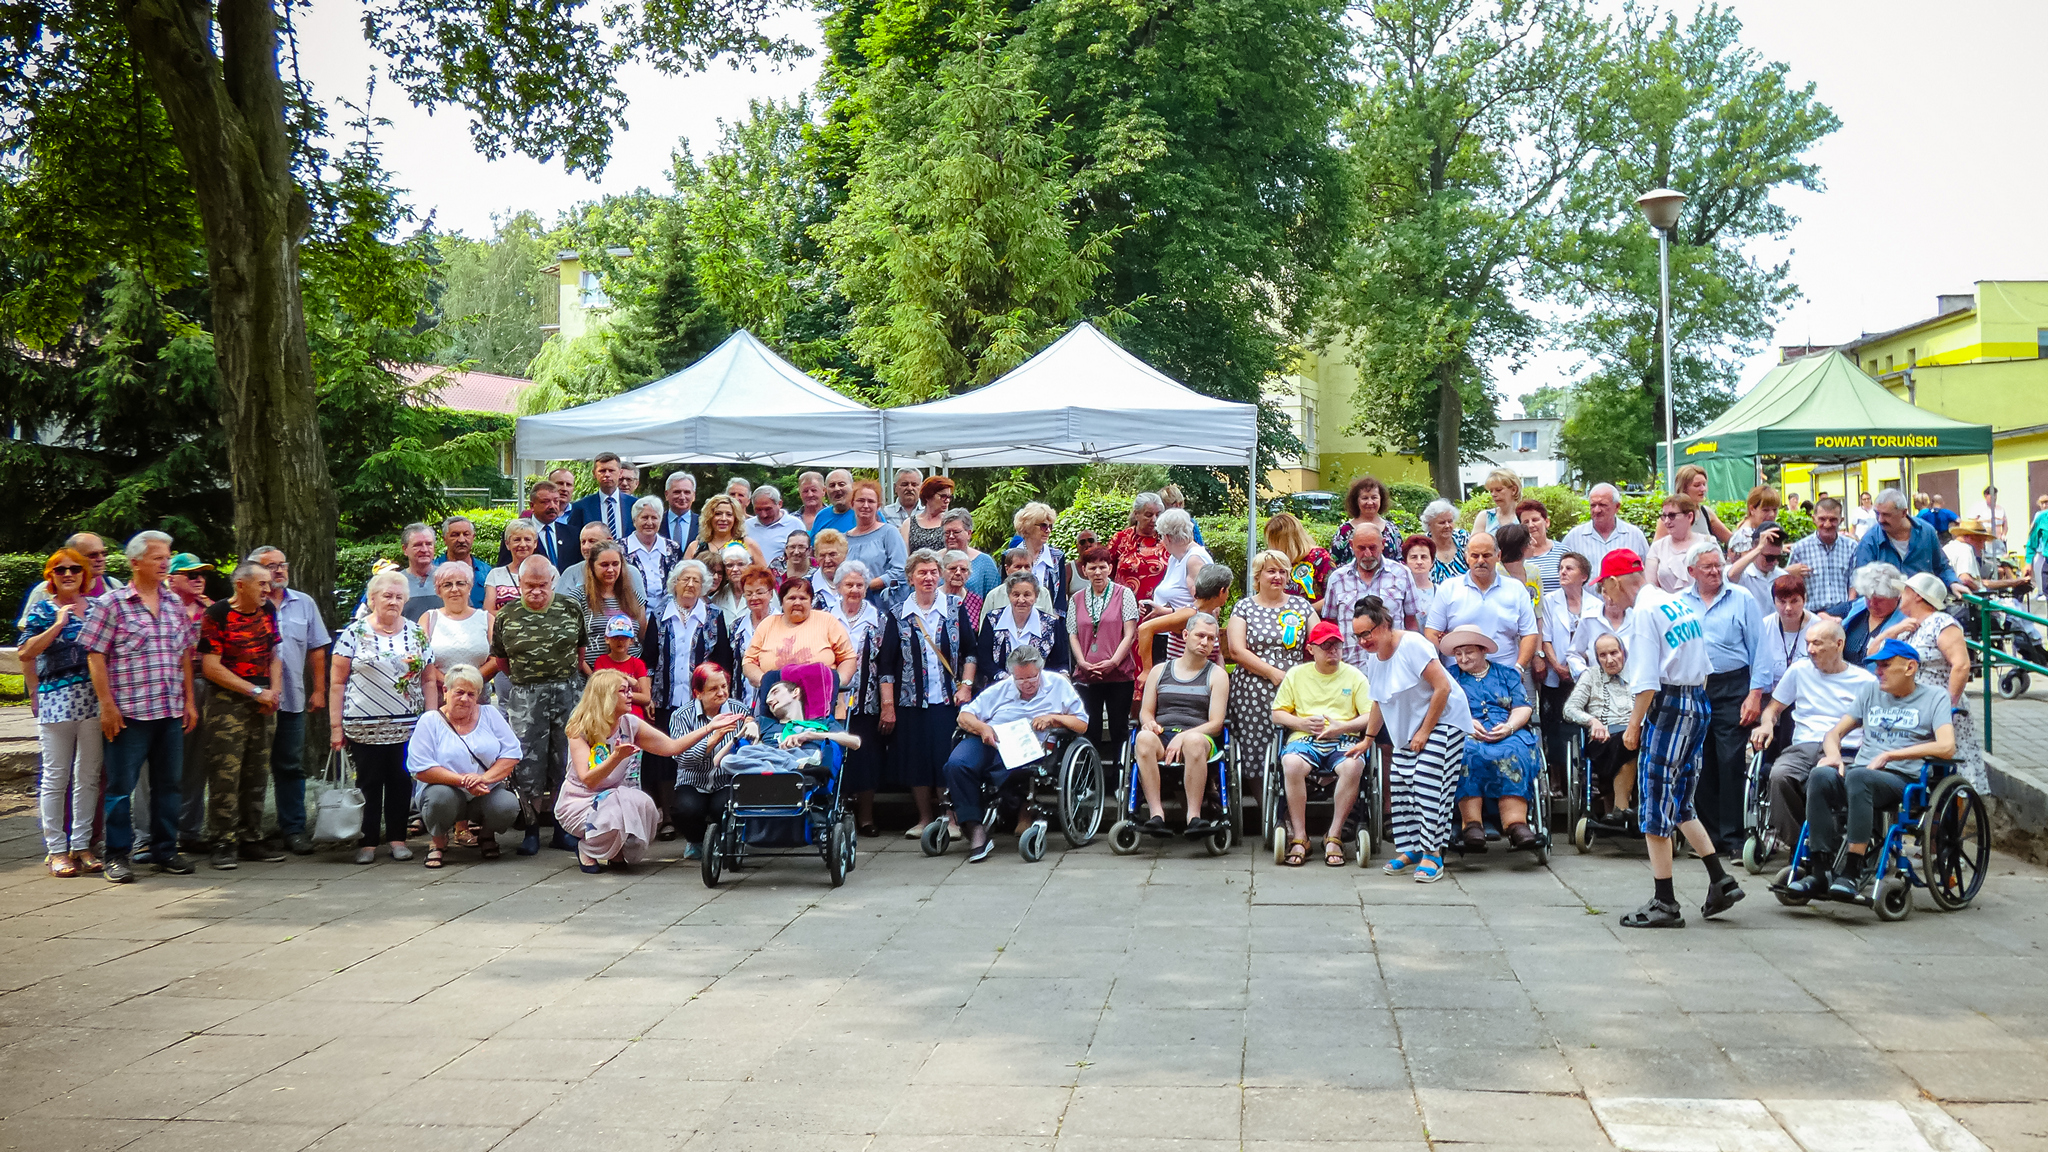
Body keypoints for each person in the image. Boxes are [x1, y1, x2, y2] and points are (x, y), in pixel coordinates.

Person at [1597, 547, 1744, 929]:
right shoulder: (1674, 603)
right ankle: (1720, 880)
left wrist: (1633, 727)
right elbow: (1705, 667)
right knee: (1680, 801)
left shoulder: (1644, 612)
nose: (1605, 597)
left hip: (1670, 705)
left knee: (1655, 803)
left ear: (1615, 582)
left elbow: (1645, 681)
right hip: (1697, 701)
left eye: (1604, 588)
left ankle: (1665, 901)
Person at [1783, 638, 1955, 900]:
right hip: (1860, 774)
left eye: (1886, 665)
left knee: (1859, 777)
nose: (1878, 672)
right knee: (1820, 775)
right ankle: (1818, 870)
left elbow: (1946, 747)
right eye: (1877, 666)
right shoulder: (1870, 692)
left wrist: (1891, 754)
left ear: (1910, 667)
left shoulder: (1935, 697)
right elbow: (1834, 733)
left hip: (1902, 779)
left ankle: (1852, 870)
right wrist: (1833, 755)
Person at [81, 531, 197, 883]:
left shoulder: (174, 602)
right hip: (129, 712)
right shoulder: (112, 604)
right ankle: (117, 854)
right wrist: (106, 705)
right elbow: (95, 655)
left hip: (169, 709)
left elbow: (185, 654)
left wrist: (189, 701)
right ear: (135, 563)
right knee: (120, 787)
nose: (166, 563)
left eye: (168, 556)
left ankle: (165, 850)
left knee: (169, 785)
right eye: (158, 557)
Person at [1356, 595, 1469, 883]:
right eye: (1357, 636)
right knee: (1403, 785)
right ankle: (1411, 849)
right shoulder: (1374, 658)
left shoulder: (1413, 644)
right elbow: (1379, 701)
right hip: (1407, 728)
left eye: (1366, 633)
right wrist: (1368, 738)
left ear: (1383, 625)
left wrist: (1425, 731)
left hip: (1442, 720)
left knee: (1428, 784)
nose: (1362, 641)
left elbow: (1442, 688)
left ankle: (1433, 853)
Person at [943, 644, 1088, 862]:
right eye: (1020, 679)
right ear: (1012, 675)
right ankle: (974, 827)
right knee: (956, 764)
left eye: (1032, 677)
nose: (1027, 684)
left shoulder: (1057, 685)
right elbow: (964, 716)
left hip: (1029, 746)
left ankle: (982, 827)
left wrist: (1053, 718)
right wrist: (983, 728)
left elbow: (1082, 723)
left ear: (1040, 670)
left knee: (1006, 768)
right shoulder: (1001, 688)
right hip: (993, 739)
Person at [330, 569, 434, 866]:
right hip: (363, 726)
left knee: (402, 782)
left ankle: (398, 840)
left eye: (399, 596)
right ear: (372, 598)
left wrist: (429, 720)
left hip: (407, 726)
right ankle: (368, 842)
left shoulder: (415, 632)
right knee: (368, 783)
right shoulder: (354, 633)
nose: (393, 601)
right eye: (387, 596)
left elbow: (428, 680)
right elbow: (337, 682)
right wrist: (335, 727)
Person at [1677, 541, 1769, 857]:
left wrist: (1755, 694)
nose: (1716, 571)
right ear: (1692, 572)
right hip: (1694, 687)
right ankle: (1708, 836)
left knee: (1730, 759)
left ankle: (1733, 836)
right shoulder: (1679, 603)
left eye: (1718, 565)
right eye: (1708, 567)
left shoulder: (1742, 598)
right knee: (1698, 760)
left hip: (1733, 686)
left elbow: (1760, 649)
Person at [490, 556, 585, 855]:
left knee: (565, 760)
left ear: (552, 583)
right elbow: (501, 660)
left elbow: (580, 652)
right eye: (529, 586)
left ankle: (562, 828)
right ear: (519, 584)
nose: (536, 592)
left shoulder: (570, 608)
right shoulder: (507, 616)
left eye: (542, 586)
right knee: (527, 765)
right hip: (526, 696)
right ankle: (530, 829)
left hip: (567, 692)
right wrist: (528, 680)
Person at [1752, 618, 1872, 852]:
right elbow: (1773, 708)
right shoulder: (1799, 671)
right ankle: (1801, 845)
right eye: (1807, 643)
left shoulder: (1864, 682)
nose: (1810, 650)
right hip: (1804, 745)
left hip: (1846, 748)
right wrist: (1766, 724)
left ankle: (1826, 845)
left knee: (1824, 777)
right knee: (1779, 776)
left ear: (1839, 644)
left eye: (1817, 644)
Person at [881, 551, 978, 838]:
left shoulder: (954, 608)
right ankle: (924, 818)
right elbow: (886, 665)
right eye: (922, 572)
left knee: (946, 759)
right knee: (917, 761)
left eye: (933, 572)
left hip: (949, 700)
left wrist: (966, 685)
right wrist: (888, 705)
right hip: (911, 701)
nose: (928, 577)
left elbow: (971, 652)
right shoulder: (897, 615)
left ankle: (952, 818)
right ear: (910, 578)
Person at [196, 561, 285, 870]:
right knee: (226, 772)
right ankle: (222, 840)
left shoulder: (268, 611)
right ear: (241, 585)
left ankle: (251, 837)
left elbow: (274, 655)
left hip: (263, 700)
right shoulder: (218, 614)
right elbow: (210, 666)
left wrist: (273, 692)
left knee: (257, 771)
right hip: (227, 701)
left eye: (268, 583)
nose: (267, 589)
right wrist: (253, 691)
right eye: (261, 584)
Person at [20, 550, 103, 876]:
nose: (68, 574)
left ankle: (81, 844)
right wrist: (57, 625)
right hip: (57, 702)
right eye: (60, 569)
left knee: (89, 776)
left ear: (84, 575)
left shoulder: (98, 609)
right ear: (51, 575)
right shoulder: (41, 609)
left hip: (94, 701)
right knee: (56, 777)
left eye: (74, 569)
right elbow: (26, 652)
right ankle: (56, 850)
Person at [244, 547, 328, 856]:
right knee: (249, 767)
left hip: (291, 699)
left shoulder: (303, 603)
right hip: (251, 701)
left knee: (290, 766)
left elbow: (317, 648)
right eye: (271, 567)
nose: (279, 571)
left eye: (283, 565)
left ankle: (293, 829)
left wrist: (319, 690)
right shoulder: (249, 604)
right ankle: (248, 832)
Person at [1271, 620, 1372, 867]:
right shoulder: (1297, 675)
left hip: (1343, 739)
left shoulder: (1354, 676)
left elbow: (1371, 715)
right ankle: (1300, 835)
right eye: (1325, 646)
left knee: (1353, 766)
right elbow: (1277, 713)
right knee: (1291, 763)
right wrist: (1302, 723)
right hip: (1305, 738)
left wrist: (1343, 726)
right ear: (1311, 649)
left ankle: (1334, 835)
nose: (1332, 651)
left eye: (1336, 646)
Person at [1873, 572, 1985, 791]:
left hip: (1937, 706)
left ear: (1917, 595)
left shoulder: (1942, 623)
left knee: (1950, 769)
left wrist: (1947, 705)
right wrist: (1891, 631)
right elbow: (1873, 654)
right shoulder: (1906, 627)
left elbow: (1961, 665)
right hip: (1909, 708)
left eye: (1905, 591)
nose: (1900, 595)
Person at [407, 663, 520, 866]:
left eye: (472, 694)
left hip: (485, 789)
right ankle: (437, 841)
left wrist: (483, 778)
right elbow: (420, 767)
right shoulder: (429, 721)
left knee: (507, 805)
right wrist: (463, 781)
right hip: (444, 790)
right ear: (445, 691)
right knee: (439, 798)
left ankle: (487, 835)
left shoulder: (490, 715)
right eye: (459, 692)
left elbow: (512, 754)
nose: (465, 699)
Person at [559, 669, 670, 872]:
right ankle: (587, 848)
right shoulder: (579, 729)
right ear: (607, 696)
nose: (631, 696)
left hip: (613, 799)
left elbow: (672, 747)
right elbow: (588, 780)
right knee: (616, 810)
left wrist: (710, 729)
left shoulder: (630, 723)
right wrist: (616, 757)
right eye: (624, 691)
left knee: (641, 804)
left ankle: (614, 850)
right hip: (578, 802)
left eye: (630, 690)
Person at [1441, 625, 1541, 852]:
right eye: (1458, 653)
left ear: (1483, 650)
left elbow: (1523, 707)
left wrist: (1509, 727)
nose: (1463, 658)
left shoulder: (1507, 674)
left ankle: (1516, 824)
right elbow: (1442, 708)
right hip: (1467, 731)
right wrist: (1465, 721)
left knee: (1514, 751)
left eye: (1469, 652)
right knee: (1466, 752)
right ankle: (1472, 824)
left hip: (1507, 729)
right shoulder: (1449, 677)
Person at [1131, 613, 1229, 839]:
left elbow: (1215, 724)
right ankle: (1156, 815)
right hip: (1162, 733)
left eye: (1211, 639)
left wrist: (1183, 737)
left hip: (1200, 737)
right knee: (1143, 739)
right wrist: (1149, 723)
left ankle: (1193, 817)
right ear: (1186, 635)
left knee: (1193, 742)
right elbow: (1146, 711)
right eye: (1200, 635)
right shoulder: (1159, 671)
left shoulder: (1217, 675)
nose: (1205, 642)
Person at [1226, 550, 1314, 769]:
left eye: (1283, 572)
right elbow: (1236, 650)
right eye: (1271, 571)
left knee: (1299, 744)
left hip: (1295, 686)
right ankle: (1263, 802)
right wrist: (1272, 673)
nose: (1278, 577)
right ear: (1258, 576)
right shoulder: (1244, 607)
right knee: (1255, 748)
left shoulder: (1301, 606)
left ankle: (1289, 796)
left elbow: (1319, 641)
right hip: (1253, 688)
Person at [666, 663, 752, 854]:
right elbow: (683, 760)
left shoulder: (740, 712)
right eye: (713, 689)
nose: (721, 693)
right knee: (685, 810)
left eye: (724, 686)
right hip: (693, 781)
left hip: (725, 780)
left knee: (725, 807)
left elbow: (750, 751)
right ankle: (697, 842)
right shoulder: (681, 716)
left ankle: (726, 842)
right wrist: (713, 738)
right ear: (698, 693)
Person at [828, 559, 887, 836]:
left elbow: (887, 663)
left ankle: (866, 817)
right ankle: (835, 811)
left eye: (859, 585)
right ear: (838, 587)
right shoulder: (825, 617)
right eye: (848, 584)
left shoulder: (879, 619)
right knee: (833, 755)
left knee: (866, 756)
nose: (854, 589)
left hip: (867, 699)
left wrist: (887, 704)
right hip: (829, 702)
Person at [1425, 533, 1539, 671]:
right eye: (1474, 555)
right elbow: (1432, 632)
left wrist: (1518, 668)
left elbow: (1529, 633)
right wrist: (1443, 671)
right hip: (1459, 676)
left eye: (1486, 555)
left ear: (1498, 556)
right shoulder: (1448, 588)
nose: (1480, 561)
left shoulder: (1516, 589)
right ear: (1466, 557)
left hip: (1505, 673)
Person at [1069, 545, 1142, 755]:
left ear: (1110, 568)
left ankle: (1118, 782)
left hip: (1118, 674)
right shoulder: (1076, 599)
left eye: (1102, 567)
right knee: (1089, 728)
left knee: (1119, 727)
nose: (1097, 572)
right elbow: (1072, 634)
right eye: (1092, 568)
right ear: (1084, 571)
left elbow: (1130, 633)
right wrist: (1081, 662)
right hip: (1087, 673)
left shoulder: (1124, 594)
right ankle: (1091, 780)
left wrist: (1113, 662)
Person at [1563, 633, 1638, 822]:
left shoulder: (1638, 674)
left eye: (1614, 653)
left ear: (1623, 652)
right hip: (1603, 741)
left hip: (1637, 735)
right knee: (1630, 740)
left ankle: (1621, 809)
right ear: (1597, 658)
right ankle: (1621, 807)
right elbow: (1569, 708)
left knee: (1637, 739)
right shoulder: (1591, 675)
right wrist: (1592, 721)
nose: (1610, 660)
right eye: (1603, 655)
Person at [1537, 551, 1598, 783]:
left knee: (1585, 721)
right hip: (1556, 673)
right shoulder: (1550, 601)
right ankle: (1556, 777)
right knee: (1554, 724)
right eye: (1561, 568)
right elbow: (1546, 637)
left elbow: (1596, 641)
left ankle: (1588, 777)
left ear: (1583, 576)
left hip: (1587, 674)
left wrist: (1583, 671)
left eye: (1569, 568)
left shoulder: (1595, 604)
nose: (1563, 572)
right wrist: (1557, 666)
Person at [1324, 523, 1419, 666]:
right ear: (1351, 545)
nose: (1367, 554)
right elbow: (1330, 625)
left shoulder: (1402, 574)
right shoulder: (1337, 578)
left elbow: (1411, 622)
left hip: (1394, 664)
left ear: (1383, 544)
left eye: (1373, 548)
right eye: (1361, 548)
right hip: (1351, 667)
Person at [1851, 488, 1962, 593]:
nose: (1880, 520)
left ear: (1904, 513)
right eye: (1877, 514)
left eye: (1886, 515)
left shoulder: (1927, 532)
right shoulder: (1869, 541)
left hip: (1923, 606)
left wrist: (1954, 583)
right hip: (1887, 610)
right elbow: (1863, 585)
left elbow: (1942, 566)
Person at [17, 530, 123, 628]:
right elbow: (27, 632)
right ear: (73, 556)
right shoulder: (45, 590)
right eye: (93, 555)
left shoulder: (114, 586)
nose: (101, 559)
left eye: (104, 554)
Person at [978, 571, 1071, 683]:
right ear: (1009, 595)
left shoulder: (1051, 624)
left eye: (1027, 595)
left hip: (1041, 689)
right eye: (1016, 595)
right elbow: (984, 660)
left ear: (1036, 597)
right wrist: (1006, 679)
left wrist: (1063, 676)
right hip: (1001, 687)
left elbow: (1061, 662)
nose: (1021, 600)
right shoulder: (992, 619)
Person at [568, 543, 646, 673]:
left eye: (615, 564)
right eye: (604, 565)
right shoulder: (578, 597)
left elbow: (642, 635)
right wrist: (593, 676)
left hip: (630, 676)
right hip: (592, 676)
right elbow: (571, 644)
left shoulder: (634, 596)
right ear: (592, 566)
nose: (610, 570)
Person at [421, 560, 493, 700]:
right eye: (447, 585)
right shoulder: (428, 618)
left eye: (460, 583)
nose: (454, 589)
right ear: (438, 590)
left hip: (477, 700)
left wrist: (469, 684)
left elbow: (497, 659)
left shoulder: (486, 619)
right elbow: (421, 659)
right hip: (439, 702)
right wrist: (449, 685)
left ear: (470, 587)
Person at [1560, 483, 1649, 577]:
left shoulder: (1634, 536)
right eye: (1593, 505)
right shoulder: (1574, 537)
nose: (1597, 510)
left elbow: (1647, 572)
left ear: (1617, 507)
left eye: (1603, 505)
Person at [846, 478, 908, 610]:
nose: (866, 505)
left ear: (878, 506)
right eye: (861, 500)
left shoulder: (888, 532)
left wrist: (868, 585)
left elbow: (901, 571)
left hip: (883, 606)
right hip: (851, 607)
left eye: (871, 501)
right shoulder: (844, 539)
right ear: (852, 504)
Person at [1787, 497, 1855, 611]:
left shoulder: (1851, 547)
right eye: (1822, 519)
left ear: (1841, 520)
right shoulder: (1800, 549)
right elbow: (1791, 585)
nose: (1827, 524)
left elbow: (1854, 585)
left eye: (1833, 519)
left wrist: (1849, 612)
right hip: (1811, 615)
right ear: (1814, 519)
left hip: (1843, 613)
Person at [1835, 562, 1908, 666]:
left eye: (1880, 600)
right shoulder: (1858, 607)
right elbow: (1823, 614)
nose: (1872, 604)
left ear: (1897, 596)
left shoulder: (1904, 619)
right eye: (1868, 598)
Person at [556, 522, 650, 601]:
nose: (585, 547)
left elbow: (640, 612)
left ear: (609, 541)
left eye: (592, 541)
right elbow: (559, 608)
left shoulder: (631, 572)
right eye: (583, 542)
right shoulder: (571, 573)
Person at [725, 566, 779, 699]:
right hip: (742, 698)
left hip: (776, 697)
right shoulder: (736, 627)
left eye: (760, 592)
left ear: (770, 594)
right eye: (749, 594)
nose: (754, 598)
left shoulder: (782, 623)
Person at [626, 496, 683, 614]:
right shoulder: (620, 549)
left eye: (654, 518)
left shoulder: (673, 548)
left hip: (668, 614)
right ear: (634, 520)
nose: (649, 522)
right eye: (644, 517)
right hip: (632, 614)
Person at [1330, 475, 1402, 567]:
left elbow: (1400, 561)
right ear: (1356, 501)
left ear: (1381, 499)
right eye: (1365, 498)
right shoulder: (1344, 531)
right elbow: (1333, 563)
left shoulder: (1392, 529)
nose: (1370, 502)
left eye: (1374, 497)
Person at [1110, 493, 1169, 602]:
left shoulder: (1168, 541)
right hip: (1124, 607)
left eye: (1158, 514)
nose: (1154, 519)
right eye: (1148, 515)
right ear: (1136, 514)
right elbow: (1107, 574)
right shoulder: (1120, 539)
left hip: (1159, 609)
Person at [1263, 512, 1333, 604]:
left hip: (1315, 616)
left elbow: (1334, 596)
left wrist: (1305, 612)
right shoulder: (1277, 561)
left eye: (1274, 541)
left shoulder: (1319, 557)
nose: (1272, 546)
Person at [500, 479, 570, 568]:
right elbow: (505, 568)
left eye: (556, 501)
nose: (552, 506)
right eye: (545, 502)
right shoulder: (515, 534)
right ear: (532, 506)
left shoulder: (571, 534)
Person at [1152, 509, 1211, 616]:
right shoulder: (1175, 558)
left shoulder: (1194, 560)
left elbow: (1205, 606)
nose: (1161, 541)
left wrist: (1167, 611)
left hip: (1185, 630)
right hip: (1169, 630)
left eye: (1160, 536)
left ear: (1167, 537)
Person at [684, 493, 766, 568]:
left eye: (729, 514)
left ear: (735, 519)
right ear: (709, 518)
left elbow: (764, 577)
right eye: (718, 514)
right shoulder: (695, 547)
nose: (723, 519)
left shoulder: (749, 545)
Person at [1013, 502, 1068, 615]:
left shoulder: (1057, 557)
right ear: (1028, 527)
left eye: (1050, 526)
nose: (1048, 530)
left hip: (1049, 621)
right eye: (1043, 526)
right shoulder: (1011, 556)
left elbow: (1060, 600)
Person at [1726, 519, 1791, 614]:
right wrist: (1759, 548)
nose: (1774, 562)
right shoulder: (1744, 574)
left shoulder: (1783, 576)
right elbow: (1731, 575)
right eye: (1769, 558)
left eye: (1779, 557)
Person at [567, 451, 634, 541]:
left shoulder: (634, 505)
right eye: (602, 471)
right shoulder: (581, 507)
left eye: (611, 470)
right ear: (594, 473)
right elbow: (573, 540)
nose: (607, 474)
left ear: (620, 473)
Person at [594, 615, 651, 719]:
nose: (620, 641)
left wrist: (617, 693)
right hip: (609, 715)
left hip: (634, 716)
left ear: (631, 641)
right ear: (607, 639)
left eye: (624, 638)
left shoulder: (638, 663)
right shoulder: (601, 661)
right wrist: (628, 680)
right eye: (615, 637)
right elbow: (601, 692)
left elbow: (646, 698)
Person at [941, 509, 1001, 602]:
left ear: (969, 534)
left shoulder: (985, 563)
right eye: (947, 532)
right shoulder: (934, 560)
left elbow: (994, 599)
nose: (951, 536)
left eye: (956, 532)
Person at [1644, 494, 1701, 593]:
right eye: (1664, 516)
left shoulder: (1707, 543)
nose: (1666, 521)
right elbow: (1650, 587)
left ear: (1689, 516)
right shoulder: (1657, 547)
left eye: (1672, 516)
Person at [1668, 464, 1733, 544]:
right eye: (1697, 485)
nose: (1703, 489)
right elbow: (1656, 552)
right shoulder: (1669, 517)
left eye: (1704, 484)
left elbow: (1731, 540)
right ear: (1683, 488)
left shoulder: (1706, 513)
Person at [486, 519, 541, 612]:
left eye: (527, 539)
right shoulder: (495, 574)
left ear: (535, 543)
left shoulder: (549, 572)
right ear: (507, 544)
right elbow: (488, 612)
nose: (523, 544)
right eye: (517, 540)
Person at [437, 516, 491, 608]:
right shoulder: (434, 569)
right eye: (455, 535)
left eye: (466, 534)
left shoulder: (487, 572)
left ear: (473, 537)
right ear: (445, 539)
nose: (461, 540)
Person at [1517, 498, 1563, 598]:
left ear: (1547, 522)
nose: (1531, 525)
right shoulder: (1518, 556)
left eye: (1535, 520)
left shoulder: (1563, 552)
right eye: (1525, 522)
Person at [748, 484, 802, 567]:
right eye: (758, 510)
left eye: (768, 509)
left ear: (779, 504)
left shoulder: (795, 525)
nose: (763, 515)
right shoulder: (746, 526)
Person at [902, 476, 954, 556]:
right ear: (928, 496)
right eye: (943, 496)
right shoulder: (909, 523)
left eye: (949, 497)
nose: (947, 501)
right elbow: (904, 556)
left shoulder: (950, 522)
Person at [1421, 499, 1468, 584]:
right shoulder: (1422, 545)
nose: (1447, 526)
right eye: (1442, 523)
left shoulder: (1462, 538)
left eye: (1450, 521)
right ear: (1429, 525)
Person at [1725, 485, 1783, 554]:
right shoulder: (1744, 536)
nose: (1772, 514)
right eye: (1765, 510)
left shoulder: (1760, 530)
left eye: (1775, 510)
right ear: (1752, 509)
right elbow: (1746, 563)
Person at [1468, 468, 1522, 535]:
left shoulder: (1525, 517)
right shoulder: (1484, 517)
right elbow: (1473, 544)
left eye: (1498, 490)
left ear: (1514, 490)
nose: (1493, 494)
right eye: (1491, 491)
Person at [709, 544, 754, 619]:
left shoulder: (763, 591)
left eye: (740, 564)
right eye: (730, 565)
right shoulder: (717, 598)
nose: (735, 569)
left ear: (749, 566)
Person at [810, 469, 858, 538]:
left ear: (853, 487)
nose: (837, 489)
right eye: (832, 485)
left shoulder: (866, 512)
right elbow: (814, 547)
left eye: (841, 484)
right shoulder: (821, 516)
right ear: (826, 490)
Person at [660, 471, 699, 550]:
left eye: (687, 492)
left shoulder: (704, 524)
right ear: (666, 495)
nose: (682, 497)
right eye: (677, 492)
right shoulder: (657, 522)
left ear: (694, 496)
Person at [1402, 535, 1437, 621]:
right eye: (1414, 557)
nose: (1419, 562)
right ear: (1405, 562)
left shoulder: (1441, 592)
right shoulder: (1400, 592)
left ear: (1432, 562)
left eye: (1424, 557)